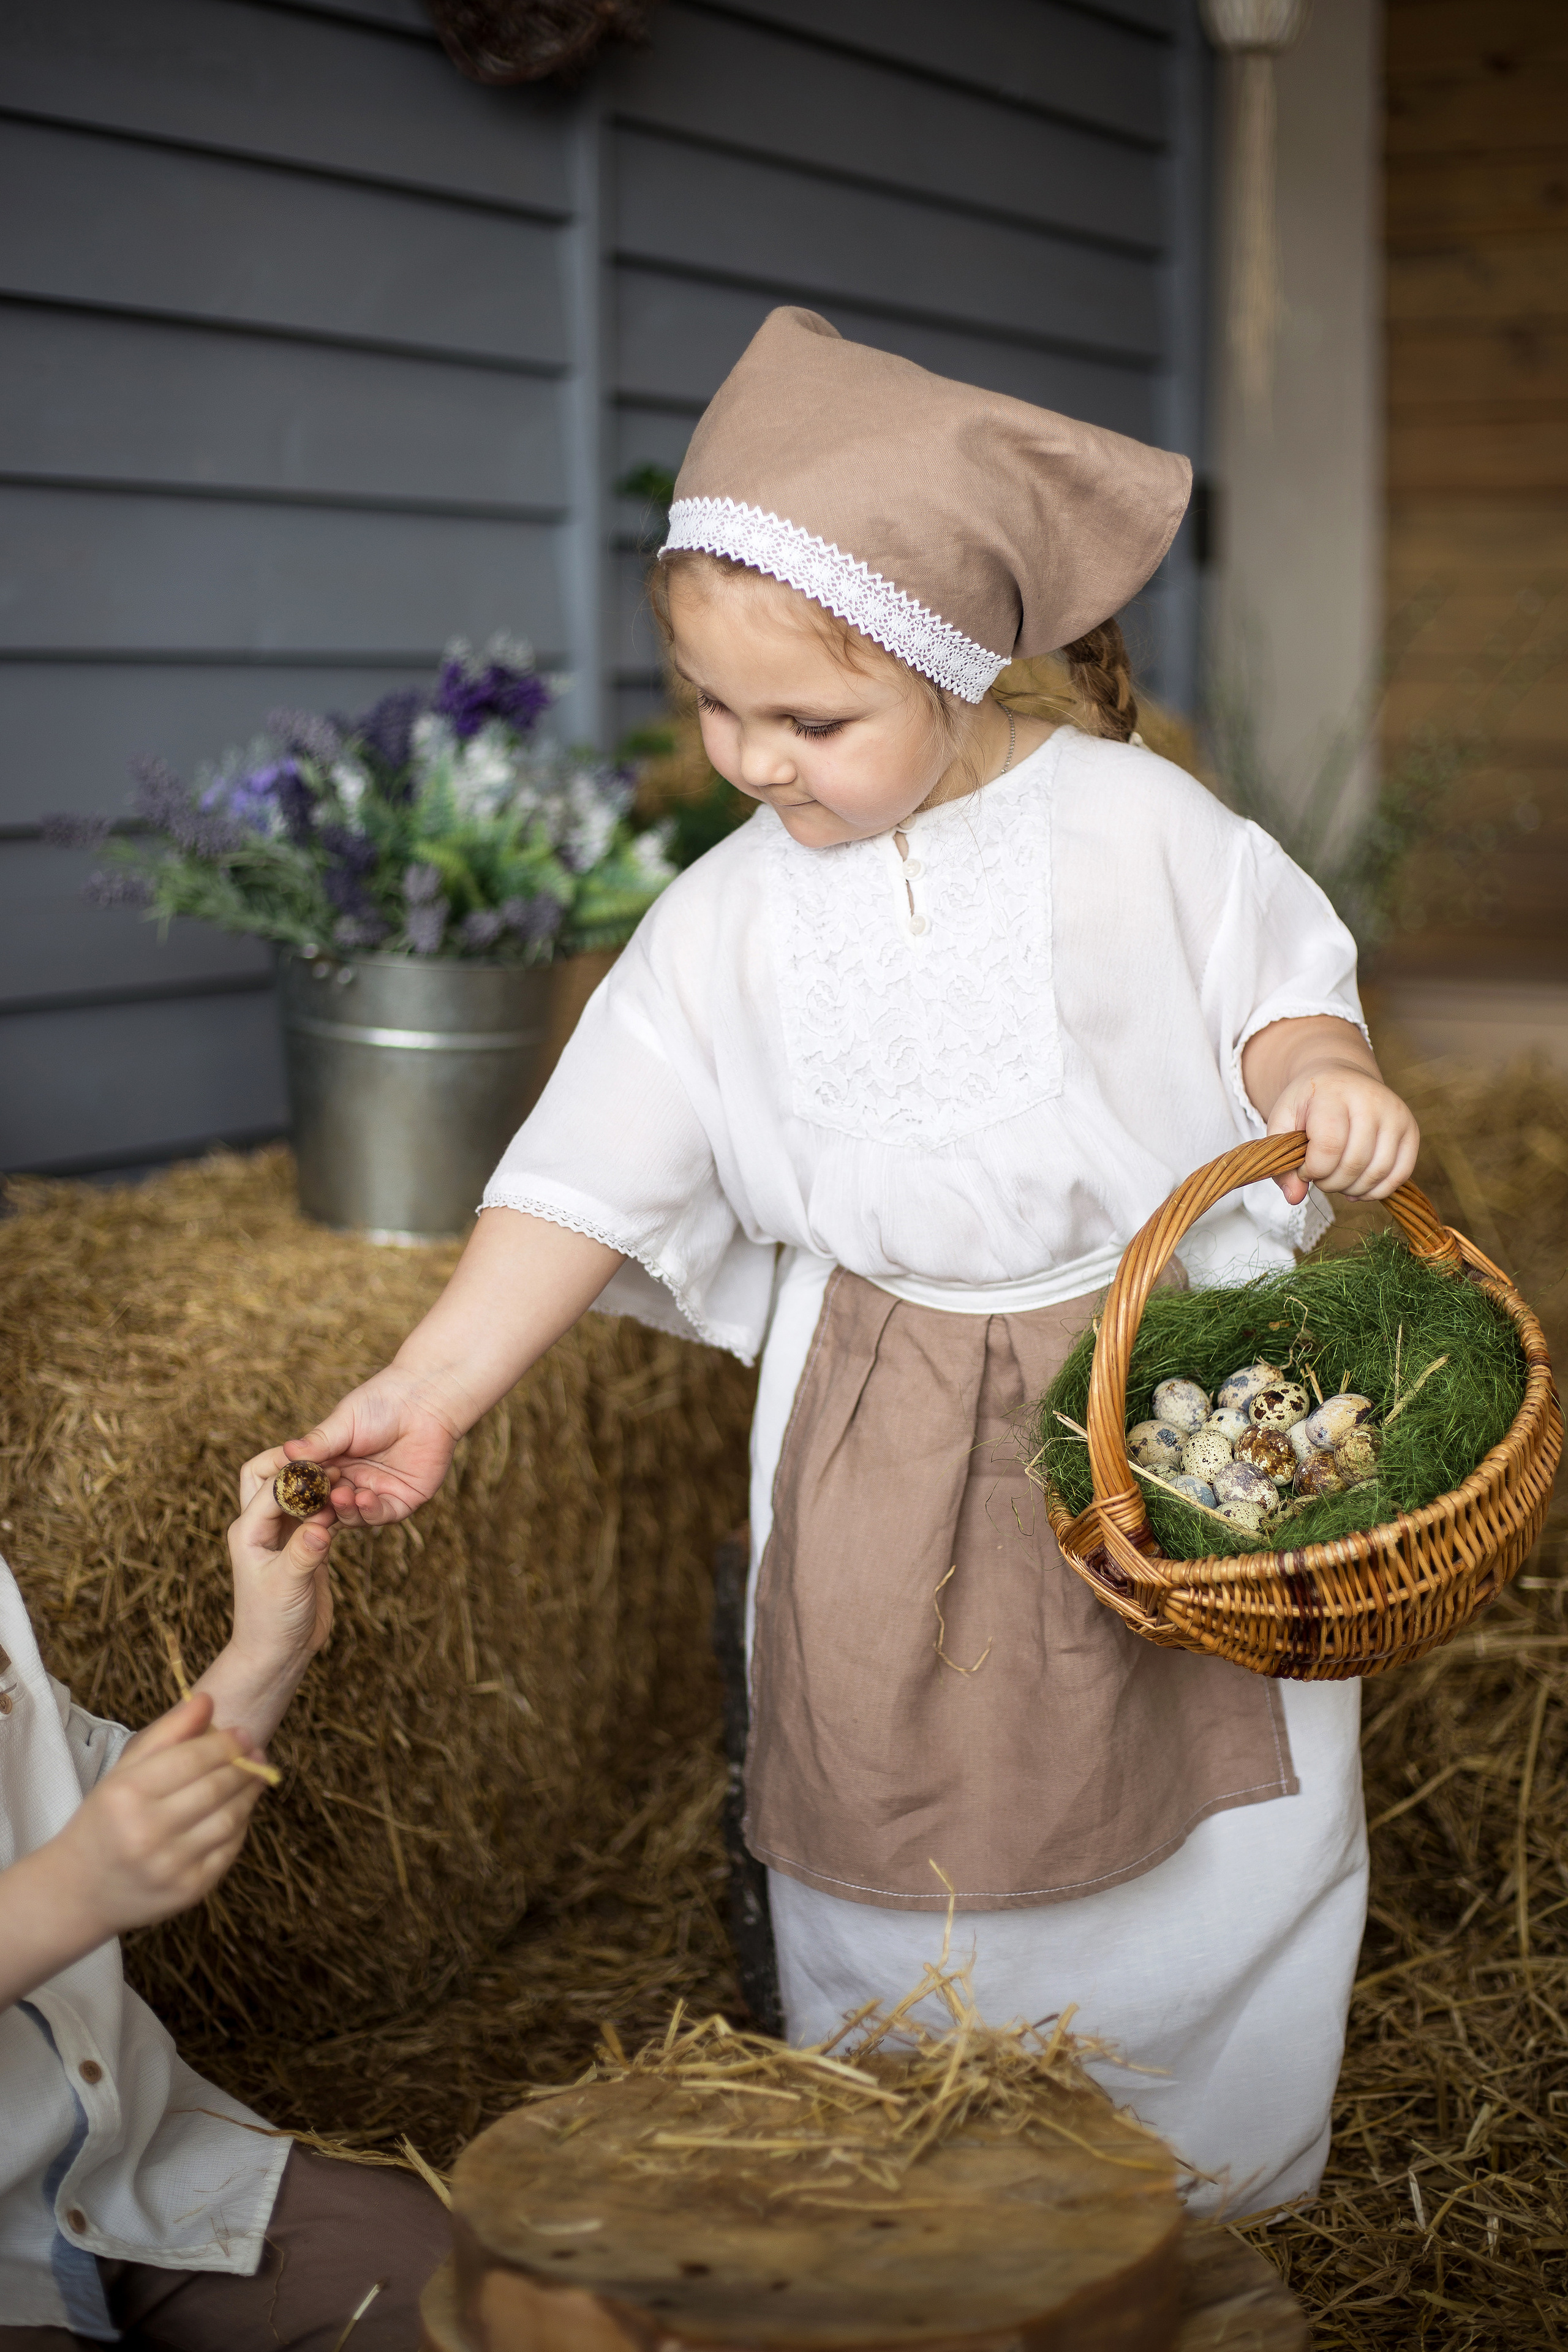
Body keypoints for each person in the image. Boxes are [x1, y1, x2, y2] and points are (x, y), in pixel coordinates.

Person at [259, 309, 1420, 2215]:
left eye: (811, 724)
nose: (751, 764)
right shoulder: (720, 923)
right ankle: (918, 2176)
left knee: (1212, 1796)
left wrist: (1329, 1070)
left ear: (957, 671)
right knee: (884, 1768)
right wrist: (435, 1386)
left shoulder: (1133, 828)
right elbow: (587, 1176)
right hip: (882, 1401)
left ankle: (1202, 2189)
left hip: (1167, 1394)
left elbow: (1274, 987)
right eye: (712, 712)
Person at [0, 1471, 448, 2348]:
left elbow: (86, 1800)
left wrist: (264, 1652)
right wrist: (76, 1889)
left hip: (132, 2161)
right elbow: (85, 1860)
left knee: (470, 2293)